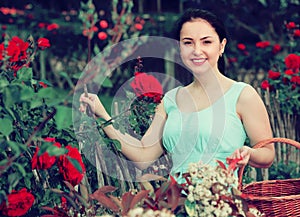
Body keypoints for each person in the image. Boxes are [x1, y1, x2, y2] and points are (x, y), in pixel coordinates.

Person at [79, 8, 275, 182]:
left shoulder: (242, 95)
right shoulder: (171, 99)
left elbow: (268, 154)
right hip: (175, 205)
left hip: (221, 205)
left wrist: (250, 153)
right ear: (179, 48)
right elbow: (143, 155)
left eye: (206, 42)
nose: (197, 51)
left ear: (221, 46)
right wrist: (102, 116)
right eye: (188, 42)